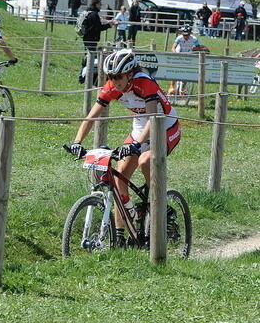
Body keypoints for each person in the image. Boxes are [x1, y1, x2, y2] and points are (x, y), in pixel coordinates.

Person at [66, 49, 180, 243]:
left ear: (129, 74)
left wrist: (136, 144)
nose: (114, 80)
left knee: (145, 160)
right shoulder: (112, 86)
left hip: (164, 126)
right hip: (140, 126)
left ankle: (157, 203)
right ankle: (119, 235)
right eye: (110, 76)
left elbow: (153, 118)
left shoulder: (144, 82)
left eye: (118, 76)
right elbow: (91, 117)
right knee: (119, 179)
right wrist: (77, 142)